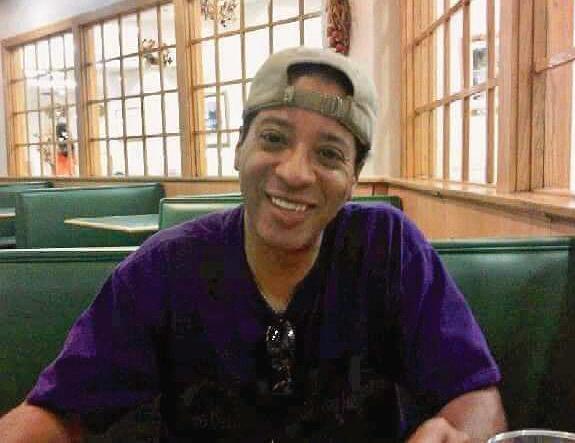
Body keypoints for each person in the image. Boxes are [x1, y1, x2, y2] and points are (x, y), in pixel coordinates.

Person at [0, 47, 506, 442]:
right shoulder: (165, 269)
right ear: (240, 148)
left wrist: (454, 431)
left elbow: (475, 394)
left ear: (353, 178)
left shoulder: (389, 249)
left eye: (329, 154)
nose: (295, 172)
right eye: (274, 139)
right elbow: (58, 413)